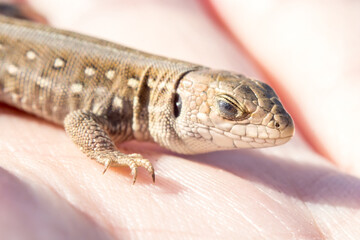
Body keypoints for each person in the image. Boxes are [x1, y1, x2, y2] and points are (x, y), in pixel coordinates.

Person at [1, 0, 359, 239]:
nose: (277, 127)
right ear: (176, 104)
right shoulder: (130, 109)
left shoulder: (147, 103)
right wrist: (107, 154)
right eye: (229, 109)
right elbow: (80, 121)